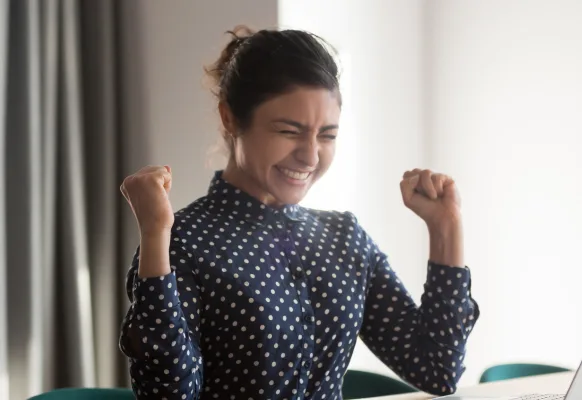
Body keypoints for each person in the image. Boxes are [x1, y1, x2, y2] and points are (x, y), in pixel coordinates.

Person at [118, 26, 480, 400]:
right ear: (230, 118)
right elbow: (168, 395)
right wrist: (155, 235)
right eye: (289, 131)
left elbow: (437, 370)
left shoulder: (344, 238)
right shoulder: (184, 241)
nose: (310, 157)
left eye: (327, 135)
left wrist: (445, 228)